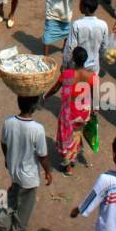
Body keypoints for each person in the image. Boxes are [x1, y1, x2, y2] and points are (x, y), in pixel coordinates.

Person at [0, 95, 51, 231]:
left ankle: (3, 222)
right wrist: (48, 171)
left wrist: (7, 159)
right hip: (29, 177)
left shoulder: (8, 122)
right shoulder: (37, 129)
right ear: (34, 107)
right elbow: (42, 155)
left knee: (14, 194)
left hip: (13, 170)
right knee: (25, 207)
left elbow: (3, 143)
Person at [45, 46, 98, 175]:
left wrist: (45, 96)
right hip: (83, 112)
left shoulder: (67, 74)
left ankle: (67, 165)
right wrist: (94, 111)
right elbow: (95, 96)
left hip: (68, 113)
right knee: (77, 134)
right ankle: (73, 156)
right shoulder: (92, 76)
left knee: (66, 138)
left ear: (73, 59)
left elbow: (55, 88)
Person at [66, 0, 108, 73]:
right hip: (94, 66)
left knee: (77, 84)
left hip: (78, 65)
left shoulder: (77, 24)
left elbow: (70, 46)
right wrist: (100, 60)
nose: (79, 6)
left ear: (86, 8)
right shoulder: (103, 25)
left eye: (80, 4)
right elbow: (104, 47)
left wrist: (65, 63)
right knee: (92, 84)